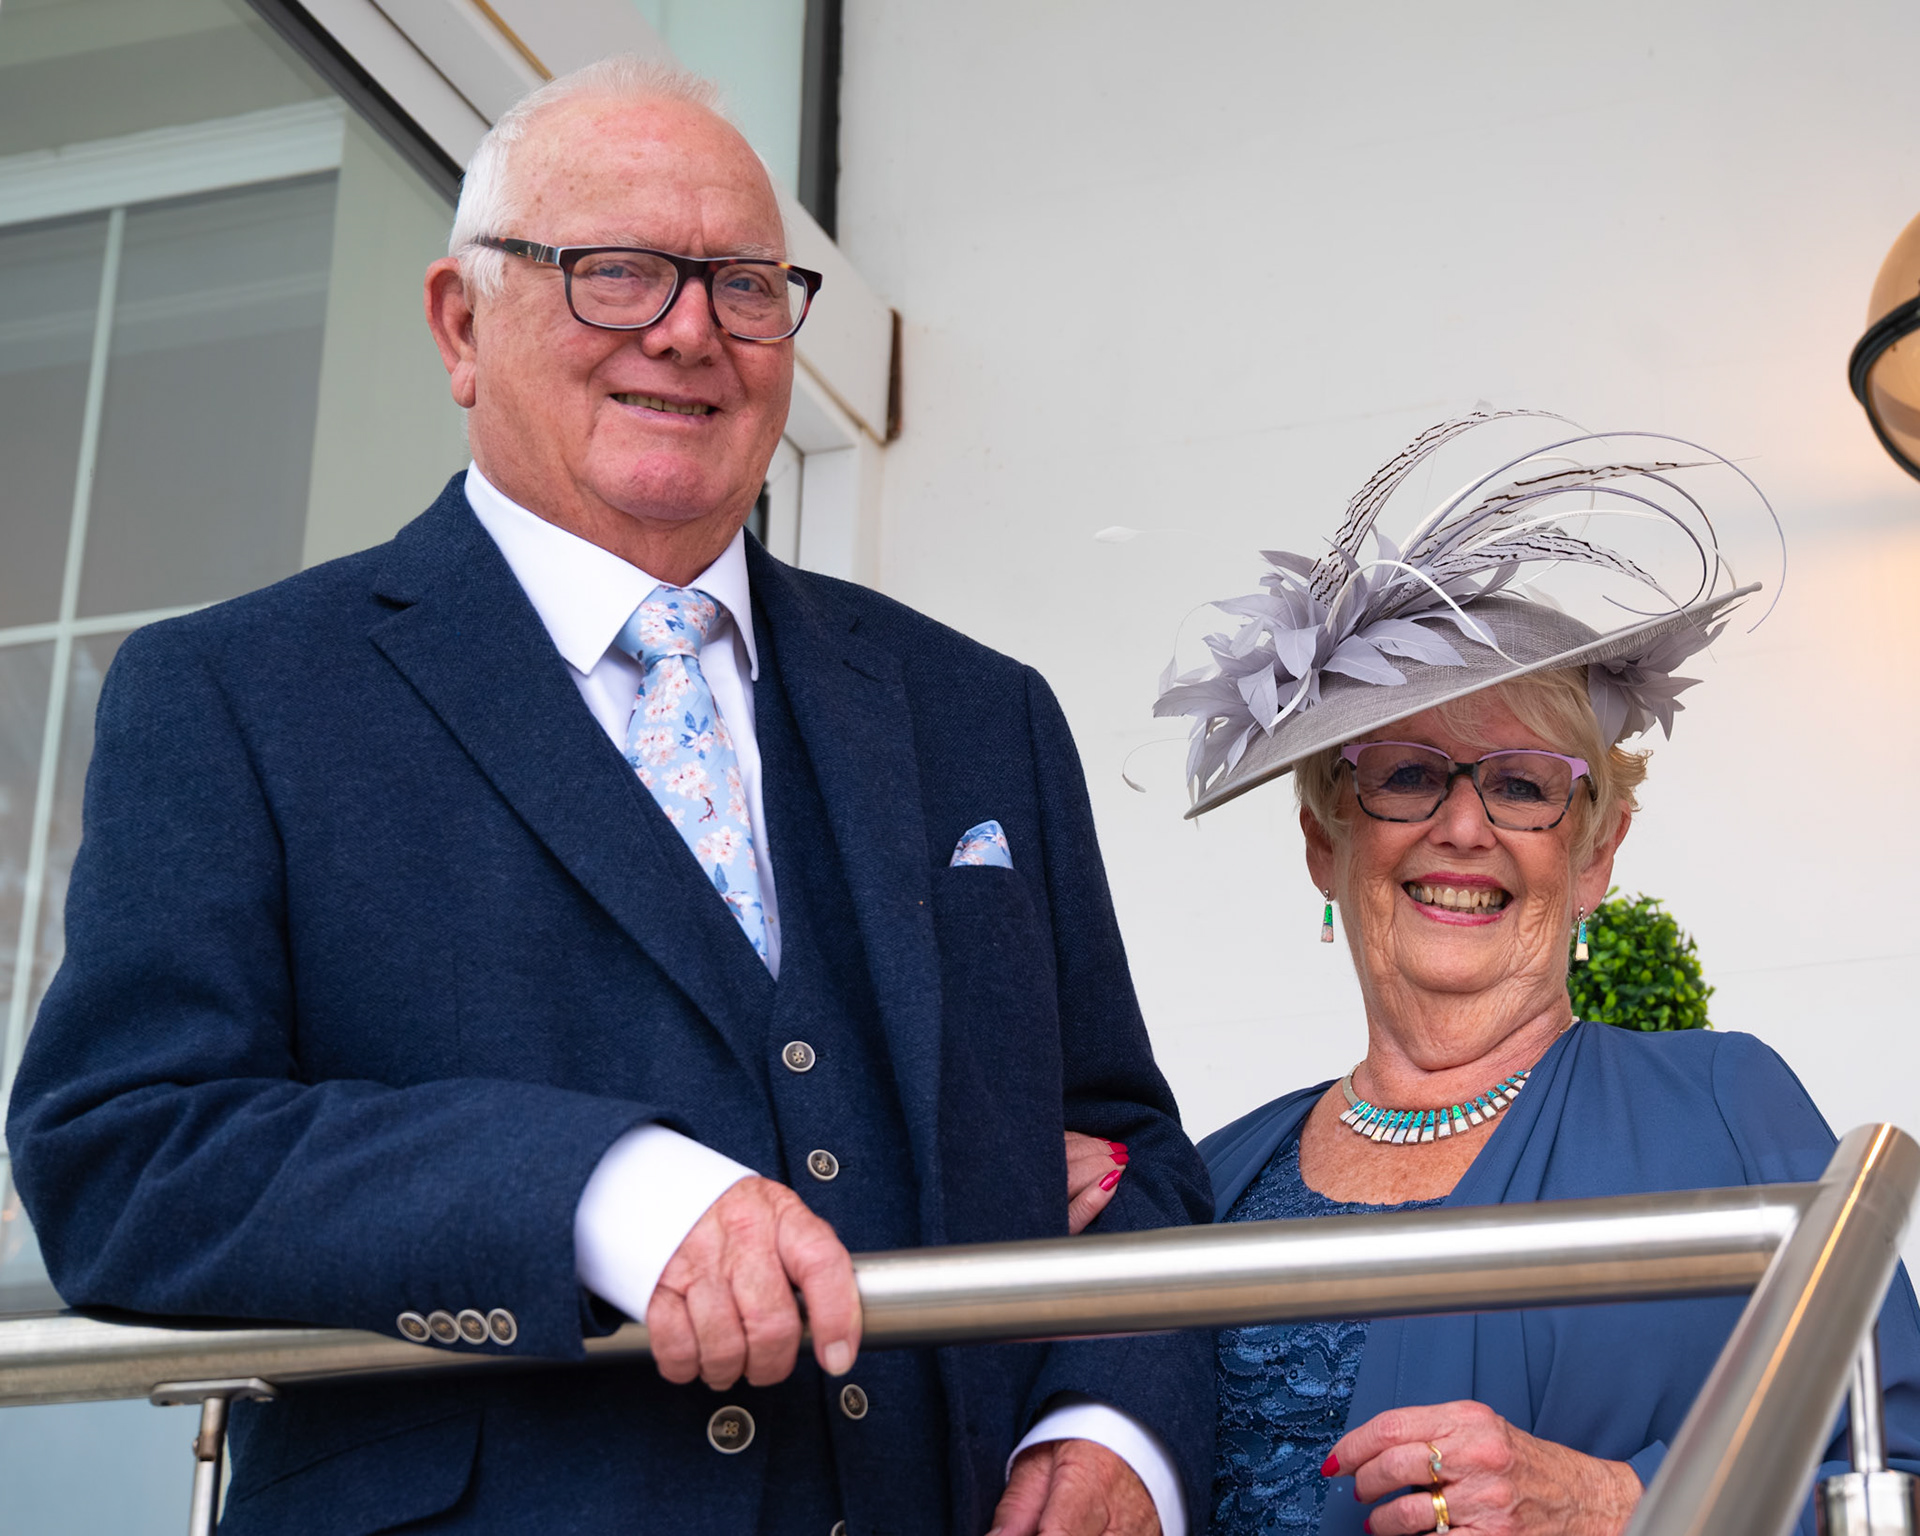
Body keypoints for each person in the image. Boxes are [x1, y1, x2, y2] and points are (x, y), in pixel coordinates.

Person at [4, 58, 1212, 1536]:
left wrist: (1111, 1431)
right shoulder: (236, 694)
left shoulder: (979, 710)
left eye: (744, 285)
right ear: (461, 325)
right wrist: (598, 1195)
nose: (690, 330)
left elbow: (1126, 1152)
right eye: (616, 272)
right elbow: (123, 1161)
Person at [1148, 413, 1920, 1536]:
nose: (1464, 827)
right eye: (1407, 775)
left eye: (1521, 785)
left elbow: (1900, 1469)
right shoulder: (1209, 1178)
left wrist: (1616, 1505)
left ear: (1595, 854)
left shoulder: (1724, 1110)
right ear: (1326, 843)